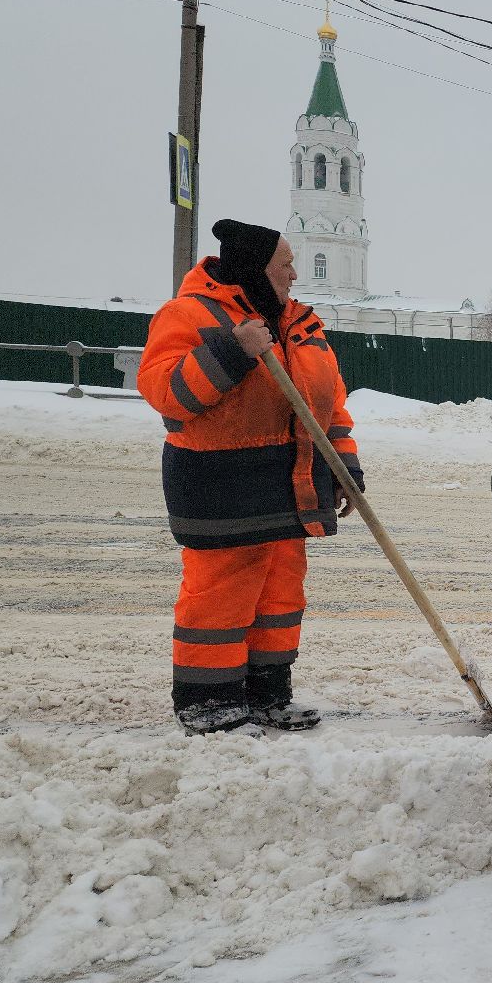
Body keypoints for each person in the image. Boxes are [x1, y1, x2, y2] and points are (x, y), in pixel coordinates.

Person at [139, 219, 360, 735]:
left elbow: (331, 404)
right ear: (257, 269)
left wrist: (344, 465)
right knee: (222, 592)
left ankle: (267, 692)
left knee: (281, 592)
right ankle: (207, 699)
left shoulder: (299, 322)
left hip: (292, 483)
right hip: (222, 483)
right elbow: (167, 393)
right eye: (285, 264)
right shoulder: (189, 315)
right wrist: (233, 350)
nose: (295, 274)